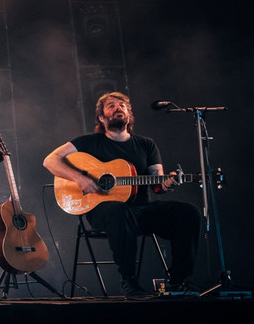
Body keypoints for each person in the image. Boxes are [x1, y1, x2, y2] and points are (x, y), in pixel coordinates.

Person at [42, 91, 202, 296]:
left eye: (122, 105)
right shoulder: (87, 142)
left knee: (188, 212)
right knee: (120, 211)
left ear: (129, 114)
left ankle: (179, 281)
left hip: (142, 210)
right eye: (112, 106)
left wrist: (168, 183)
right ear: (101, 117)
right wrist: (79, 178)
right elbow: (50, 160)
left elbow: (157, 183)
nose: (118, 108)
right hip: (106, 212)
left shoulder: (146, 144)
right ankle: (129, 281)